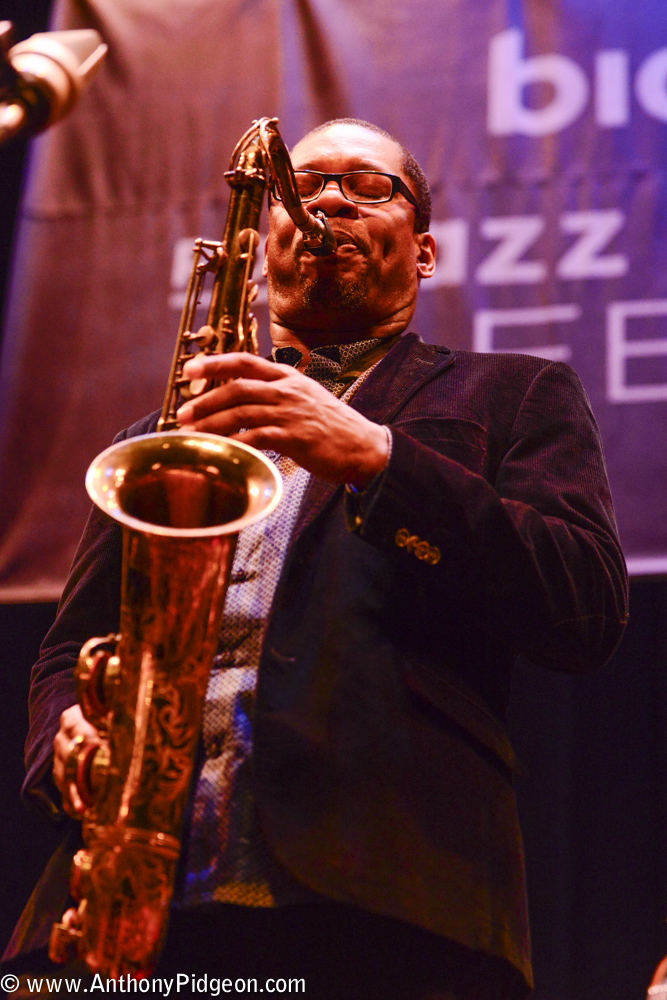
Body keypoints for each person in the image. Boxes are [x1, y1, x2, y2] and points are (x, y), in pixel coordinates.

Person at [4, 119, 628, 1000]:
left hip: (388, 901)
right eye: (303, 188)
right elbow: (68, 652)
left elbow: (584, 607)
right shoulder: (160, 435)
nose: (328, 198)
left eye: (367, 186)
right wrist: (65, 730)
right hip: (118, 903)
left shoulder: (515, 393)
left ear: (424, 251)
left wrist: (376, 457)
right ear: (262, 252)